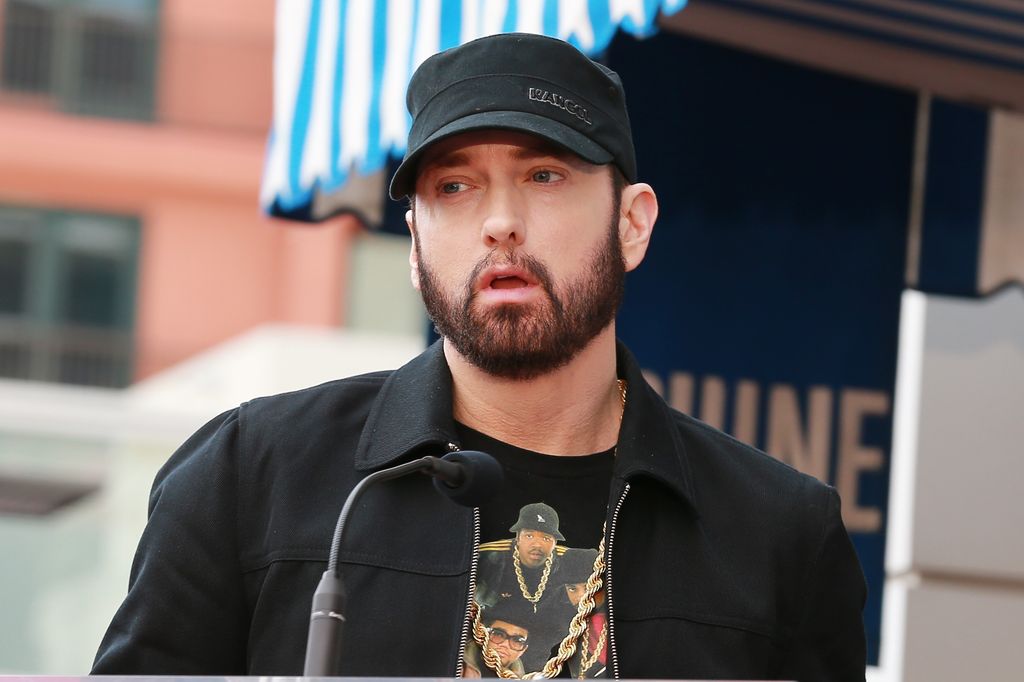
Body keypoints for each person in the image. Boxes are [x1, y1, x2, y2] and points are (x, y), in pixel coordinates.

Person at [92, 32, 867, 680]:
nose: (499, 220)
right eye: (455, 186)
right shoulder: (251, 476)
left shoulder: (776, 534)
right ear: (416, 243)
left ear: (632, 224)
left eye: (544, 174)